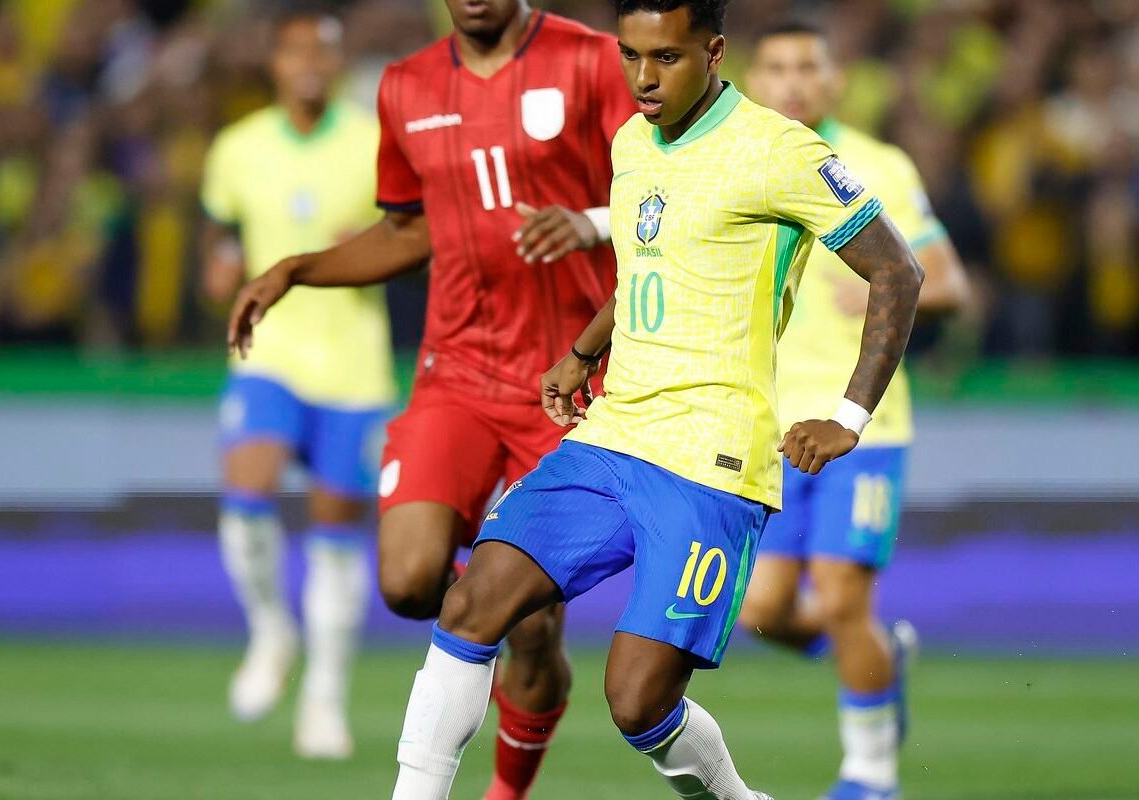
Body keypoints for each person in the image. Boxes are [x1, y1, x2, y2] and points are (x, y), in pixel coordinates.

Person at [386, 0, 927, 798]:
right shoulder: (632, 142)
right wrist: (582, 352)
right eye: (630, 56)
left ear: (714, 52)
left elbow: (899, 271)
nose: (643, 77)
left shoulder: (779, 150)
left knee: (638, 702)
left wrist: (849, 416)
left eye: (666, 58)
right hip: (613, 435)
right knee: (471, 605)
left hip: (712, 458)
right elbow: (648, 264)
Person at [227, 1, 634, 796]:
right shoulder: (406, 86)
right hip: (458, 372)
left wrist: (590, 222)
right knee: (409, 581)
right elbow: (410, 230)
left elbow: (669, 190)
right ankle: (491, 597)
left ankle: (506, 788)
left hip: (567, 382)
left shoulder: (591, 61)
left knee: (532, 629)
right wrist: (296, 270)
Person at [739, 21, 971, 800]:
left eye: (808, 67)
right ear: (752, 81)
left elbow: (949, 284)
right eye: (777, 68)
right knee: (763, 611)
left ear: (836, 81)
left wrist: (884, 286)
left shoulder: (879, 166)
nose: (793, 82)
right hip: (770, 427)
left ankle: (870, 774)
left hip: (861, 425)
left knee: (841, 597)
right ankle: (880, 654)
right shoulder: (736, 161)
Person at [200, 12, 391, 759]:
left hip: (353, 364)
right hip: (269, 352)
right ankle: (271, 628)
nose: (310, 63)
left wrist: (369, 248)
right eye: (296, 51)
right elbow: (220, 229)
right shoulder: (238, 147)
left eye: (323, 51)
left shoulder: (376, 142)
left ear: (340, 63)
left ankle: (324, 698)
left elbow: (416, 238)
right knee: (246, 490)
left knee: (336, 533)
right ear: (274, 63)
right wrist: (220, 265)